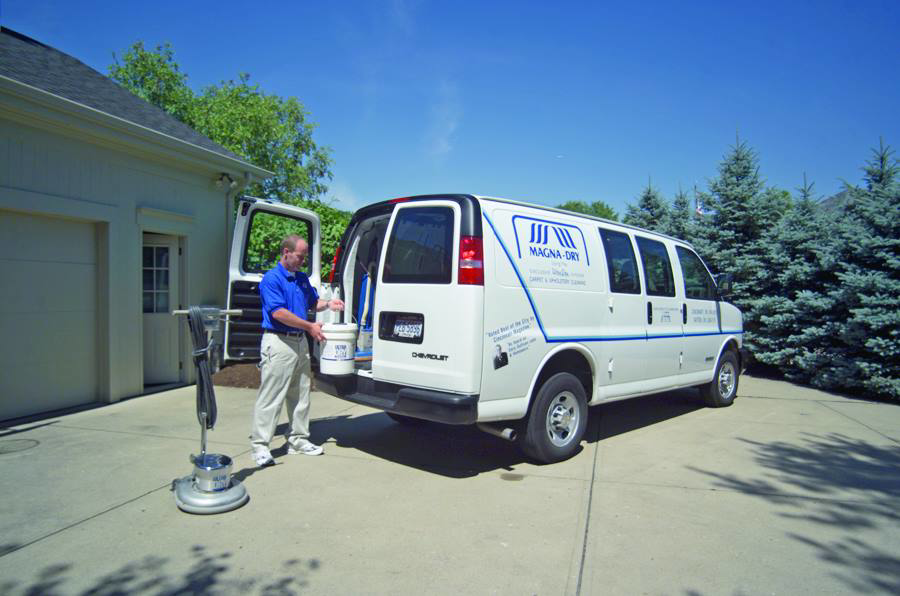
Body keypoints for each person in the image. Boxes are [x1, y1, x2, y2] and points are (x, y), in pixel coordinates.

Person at [251, 234, 344, 467]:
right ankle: (260, 446)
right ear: (286, 252)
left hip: (300, 341)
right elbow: (278, 313)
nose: (303, 261)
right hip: (279, 342)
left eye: (304, 257)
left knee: (301, 394)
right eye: (300, 256)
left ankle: (298, 441)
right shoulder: (271, 279)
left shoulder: (301, 279)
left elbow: (312, 304)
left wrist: (328, 304)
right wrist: (310, 326)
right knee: (271, 397)